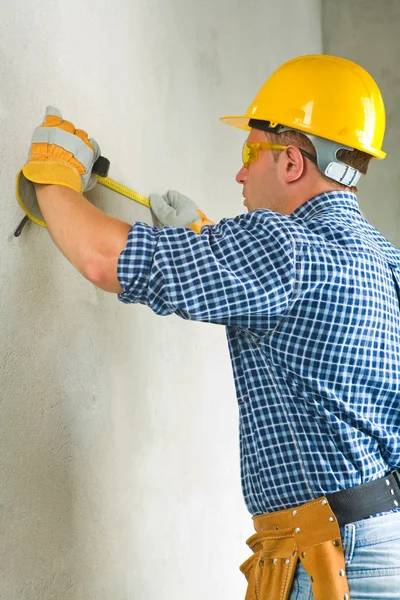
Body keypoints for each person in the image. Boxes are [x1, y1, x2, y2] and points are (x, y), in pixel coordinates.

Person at [17, 54, 400, 599]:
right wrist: (206, 239)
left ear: (292, 162)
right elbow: (302, 312)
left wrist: (53, 178)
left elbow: (104, 260)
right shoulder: (382, 258)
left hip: (335, 555)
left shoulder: (283, 248)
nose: (241, 172)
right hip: (382, 542)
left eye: (251, 152)